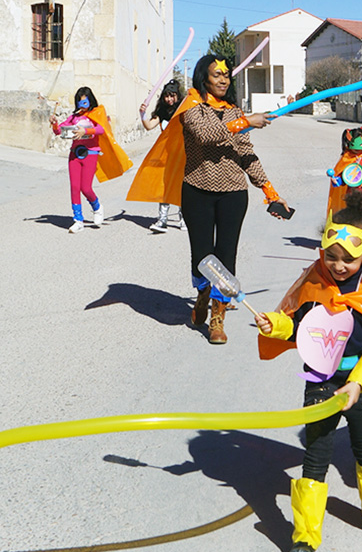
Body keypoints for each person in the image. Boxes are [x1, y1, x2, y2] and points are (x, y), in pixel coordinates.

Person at [256, 191, 362, 552]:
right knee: (316, 455)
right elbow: (299, 326)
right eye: (331, 256)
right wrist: (275, 324)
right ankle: (304, 536)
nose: (339, 265)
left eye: (349, 259)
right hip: (320, 379)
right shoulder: (314, 282)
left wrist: (358, 382)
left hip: (359, 384)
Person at [126, 54, 291, 344]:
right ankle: (202, 292)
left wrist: (270, 192)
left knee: (226, 257)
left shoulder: (234, 111)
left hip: (233, 194)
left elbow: (246, 154)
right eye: (217, 75)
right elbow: (205, 135)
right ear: (204, 78)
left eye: (226, 75)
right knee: (202, 256)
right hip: (197, 192)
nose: (223, 80)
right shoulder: (191, 106)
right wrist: (245, 121)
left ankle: (218, 316)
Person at [50, 87, 131, 233]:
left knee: (86, 188)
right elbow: (59, 131)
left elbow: (101, 129)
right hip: (75, 154)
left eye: (84, 102)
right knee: (75, 187)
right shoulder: (74, 117)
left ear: (90, 100)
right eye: (79, 102)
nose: (82, 105)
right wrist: (55, 123)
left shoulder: (97, 113)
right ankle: (78, 220)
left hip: (91, 153)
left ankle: (97, 207)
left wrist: (85, 131)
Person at [139, 80, 185, 233]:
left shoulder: (183, 109)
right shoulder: (162, 112)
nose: (169, 99)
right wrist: (142, 114)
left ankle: (184, 219)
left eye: (172, 96)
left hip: (183, 154)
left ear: (177, 96)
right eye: (166, 96)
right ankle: (162, 219)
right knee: (165, 187)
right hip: (167, 155)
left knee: (182, 187)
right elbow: (149, 126)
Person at [327, 126, 362, 217]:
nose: (357, 149)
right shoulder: (346, 158)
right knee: (352, 215)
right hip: (352, 195)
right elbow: (344, 176)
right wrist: (337, 181)